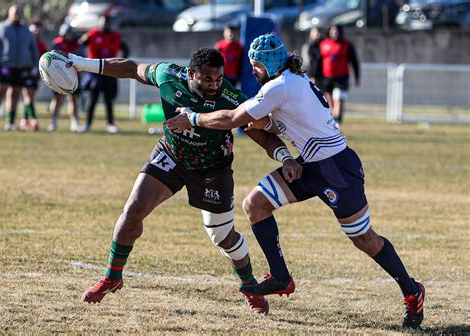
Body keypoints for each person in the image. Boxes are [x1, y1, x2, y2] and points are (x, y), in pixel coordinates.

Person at [164, 33, 426, 330]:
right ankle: (280, 277)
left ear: (266, 63)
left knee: (364, 239)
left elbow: (232, 119)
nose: (252, 71)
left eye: (255, 66)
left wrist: (193, 118)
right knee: (255, 204)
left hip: (336, 169)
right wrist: (276, 140)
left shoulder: (280, 86)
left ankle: (411, 290)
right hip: (309, 165)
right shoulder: (292, 80)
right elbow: (282, 122)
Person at [58, 47, 295, 315]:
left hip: (212, 170)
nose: (214, 85)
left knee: (223, 237)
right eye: (208, 80)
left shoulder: (231, 97)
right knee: (133, 210)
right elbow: (131, 68)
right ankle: (113, 277)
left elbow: (259, 133)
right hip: (171, 155)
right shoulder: (168, 75)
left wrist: (285, 157)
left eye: (218, 79)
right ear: (192, 74)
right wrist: (80, 63)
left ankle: (249, 285)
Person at [78, 15, 129, 133]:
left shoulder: (115, 36)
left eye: (107, 22)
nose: (105, 24)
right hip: (95, 72)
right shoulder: (92, 34)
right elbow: (80, 45)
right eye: (103, 22)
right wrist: (83, 61)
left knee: (108, 100)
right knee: (92, 99)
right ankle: (87, 124)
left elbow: (126, 49)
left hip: (110, 71)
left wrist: (120, 62)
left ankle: (111, 124)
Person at [0, 5, 39, 131]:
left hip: (21, 67)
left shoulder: (27, 31)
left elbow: (33, 49)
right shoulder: (0, 28)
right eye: (14, 13)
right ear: (9, 14)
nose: (16, 15)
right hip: (5, 66)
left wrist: (35, 66)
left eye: (18, 13)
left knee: (15, 94)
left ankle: (10, 121)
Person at [319, 25, 360, 125]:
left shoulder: (346, 45)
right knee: (330, 104)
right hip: (327, 78)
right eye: (333, 31)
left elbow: (354, 61)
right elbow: (318, 62)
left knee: (338, 100)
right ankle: (334, 123)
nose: (335, 33)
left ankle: (337, 125)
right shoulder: (323, 44)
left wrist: (357, 76)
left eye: (337, 31)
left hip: (341, 78)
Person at [47, 24, 81, 132]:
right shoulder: (57, 44)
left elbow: (81, 58)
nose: (69, 36)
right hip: (59, 76)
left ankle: (74, 122)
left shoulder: (77, 44)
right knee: (58, 100)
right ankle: (53, 122)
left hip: (74, 76)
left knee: (73, 99)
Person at [19, 19, 48, 131]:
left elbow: (46, 58)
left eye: (38, 29)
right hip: (25, 71)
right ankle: (33, 120)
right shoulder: (24, 43)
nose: (36, 32)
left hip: (36, 73)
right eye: (34, 29)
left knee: (30, 97)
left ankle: (24, 120)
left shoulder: (41, 44)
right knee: (28, 95)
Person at [301, 27, 324, 91]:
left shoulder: (323, 44)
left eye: (318, 32)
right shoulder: (308, 46)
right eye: (315, 32)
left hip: (323, 76)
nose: (317, 34)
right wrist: (312, 75)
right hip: (313, 75)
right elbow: (308, 63)